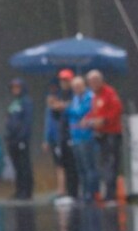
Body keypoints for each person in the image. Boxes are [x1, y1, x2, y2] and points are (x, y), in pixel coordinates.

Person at [84, 69, 124, 202]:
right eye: (91, 82)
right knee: (104, 164)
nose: (93, 84)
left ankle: (111, 194)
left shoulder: (109, 93)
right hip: (101, 135)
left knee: (111, 164)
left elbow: (116, 110)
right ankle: (107, 193)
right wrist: (87, 119)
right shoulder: (95, 97)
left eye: (95, 81)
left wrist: (105, 120)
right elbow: (95, 113)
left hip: (111, 133)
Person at [48, 69, 79, 202]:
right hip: (62, 134)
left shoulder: (74, 94)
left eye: (66, 80)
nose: (63, 83)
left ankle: (74, 192)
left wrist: (63, 106)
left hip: (73, 133)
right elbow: (55, 115)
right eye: (62, 80)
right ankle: (67, 192)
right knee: (64, 164)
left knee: (73, 165)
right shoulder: (59, 95)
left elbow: (74, 109)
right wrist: (55, 107)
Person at [66, 75, 99, 203]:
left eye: (78, 86)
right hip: (75, 136)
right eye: (74, 87)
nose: (76, 89)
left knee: (89, 167)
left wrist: (65, 108)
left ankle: (92, 193)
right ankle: (84, 192)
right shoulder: (75, 98)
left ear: (83, 85)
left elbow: (80, 112)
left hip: (86, 136)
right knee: (80, 168)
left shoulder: (89, 97)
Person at [5, 78, 34, 200]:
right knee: (16, 166)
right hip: (12, 138)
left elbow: (27, 121)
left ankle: (27, 191)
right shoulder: (13, 102)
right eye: (13, 87)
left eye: (17, 87)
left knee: (24, 165)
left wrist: (22, 137)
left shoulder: (26, 101)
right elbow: (9, 119)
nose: (15, 89)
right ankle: (19, 190)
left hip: (21, 139)